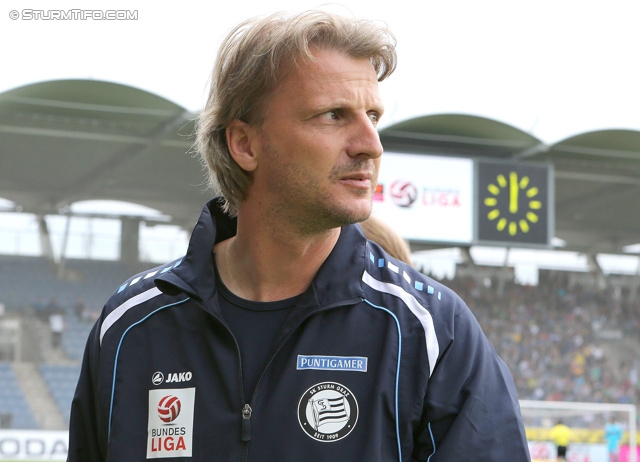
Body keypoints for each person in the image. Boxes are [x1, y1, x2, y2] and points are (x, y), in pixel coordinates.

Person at [68, 9, 530, 461]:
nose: (371, 144)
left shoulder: (430, 329)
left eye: (373, 115)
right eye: (333, 115)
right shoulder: (131, 327)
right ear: (245, 144)